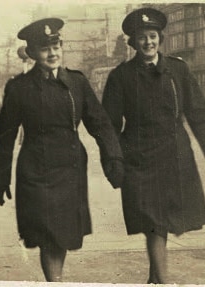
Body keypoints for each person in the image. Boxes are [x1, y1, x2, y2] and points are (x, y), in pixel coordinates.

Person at [0, 18, 124, 282]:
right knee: (48, 235)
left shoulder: (77, 82)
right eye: (44, 48)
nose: (52, 53)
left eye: (56, 45)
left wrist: (114, 159)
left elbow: (100, 124)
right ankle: (56, 281)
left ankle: (56, 279)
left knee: (61, 236)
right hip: (35, 172)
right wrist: (1, 178)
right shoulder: (19, 88)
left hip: (69, 170)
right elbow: (5, 136)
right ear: (31, 53)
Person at [102, 7, 205, 284]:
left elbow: (197, 114)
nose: (148, 42)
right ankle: (163, 280)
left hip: (175, 157)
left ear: (160, 37)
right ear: (132, 43)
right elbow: (109, 126)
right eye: (142, 38)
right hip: (139, 160)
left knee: (163, 224)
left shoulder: (178, 70)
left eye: (152, 36)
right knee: (153, 224)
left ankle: (154, 279)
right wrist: (113, 162)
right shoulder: (120, 77)